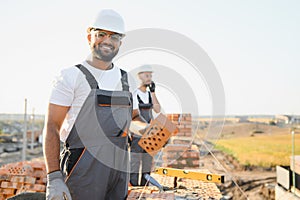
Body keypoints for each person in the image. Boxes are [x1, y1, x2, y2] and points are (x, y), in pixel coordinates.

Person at [43, 9, 134, 200]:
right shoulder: (70, 76)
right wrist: (54, 177)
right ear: (89, 37)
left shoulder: (127, 80)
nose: (108, 41)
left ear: (121, 42)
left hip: (118, 171)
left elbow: (129, 122)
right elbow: (52, 126)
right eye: (101, 34)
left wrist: (151, 131)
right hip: (83, 170)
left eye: (114, 36)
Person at [130, 65, 161, 186]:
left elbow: (158, 109)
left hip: (150, 133)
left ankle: (145, 187)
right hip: (137, 133)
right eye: (146, 75)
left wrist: (153, 92)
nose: (149, 78)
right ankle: (133, 187)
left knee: (147, 162)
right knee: (135, 162)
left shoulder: (149, 95)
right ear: (139, 76)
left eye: (151, 75)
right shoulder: (134, 93)